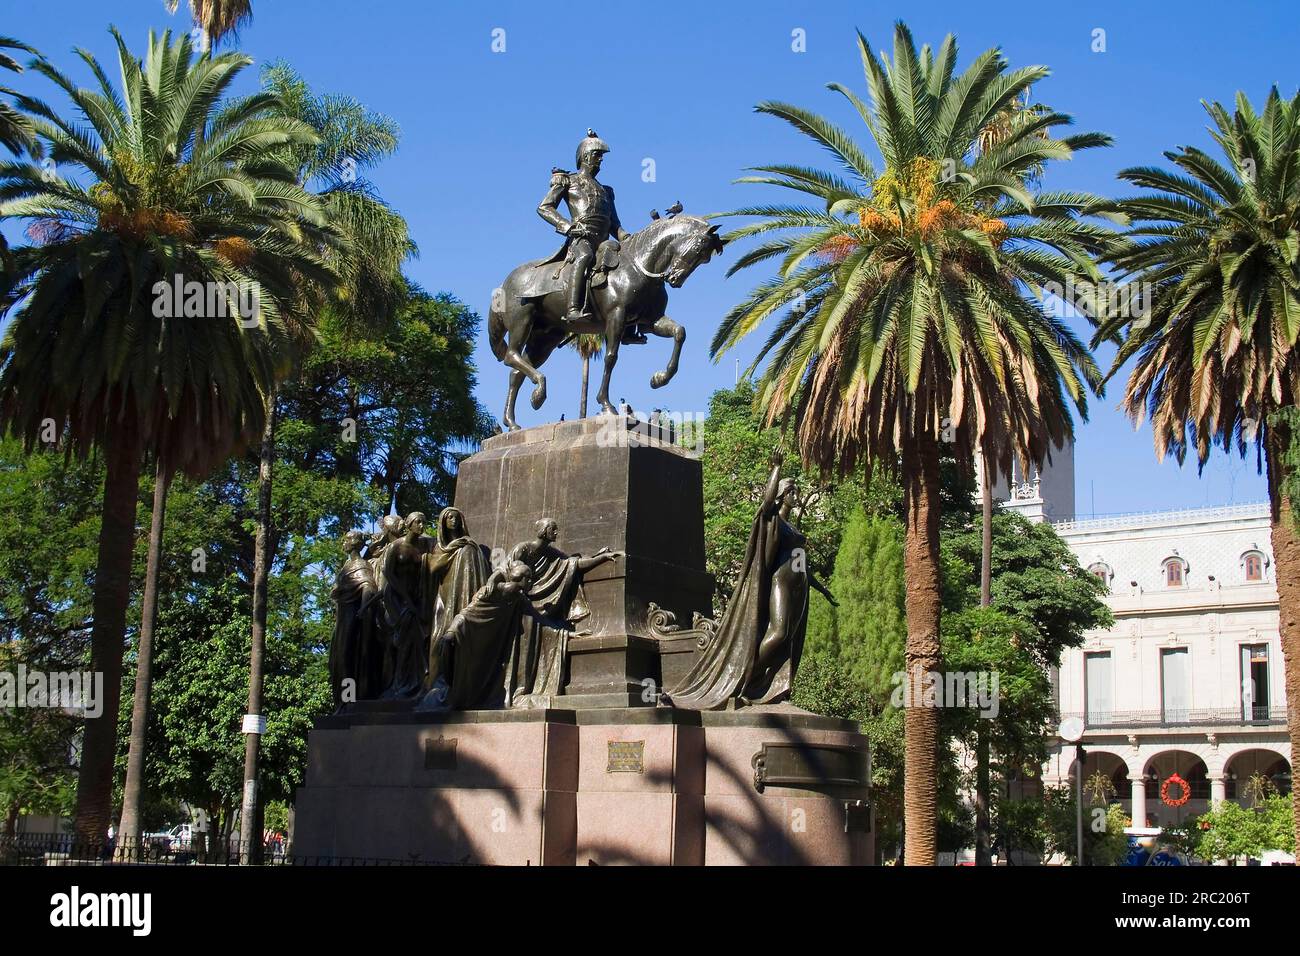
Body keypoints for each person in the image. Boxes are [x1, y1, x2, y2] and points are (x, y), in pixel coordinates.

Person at [665, 450, 835, 709]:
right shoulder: (774, 521)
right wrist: (776, 468)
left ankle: (765, 687)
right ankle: (747, 675)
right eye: (793, 492)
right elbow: (766, 505)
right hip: (780, 584)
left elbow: (802, 563)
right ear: (782, 496)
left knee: (787, 637)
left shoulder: (795, 530)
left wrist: (822, 588)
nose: (797, 496)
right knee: (777, 632)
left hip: (799, 588)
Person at [506, 518, 620, 708]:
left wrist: (600, 557)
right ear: (543, 530)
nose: (556, 533)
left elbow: (573, 564)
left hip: (535, 606)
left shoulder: (551, 553)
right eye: (553, 529)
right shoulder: (523, 549)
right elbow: (511, 573)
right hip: (519, 603)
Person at [536, 129, 629, 328]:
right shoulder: (568, 181)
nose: (601, 160)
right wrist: (567, 226)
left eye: (602, 156)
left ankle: (628, 324)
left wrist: (626, 237)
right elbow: (544, 207)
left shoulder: (606, 190)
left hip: (604, 242)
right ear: (585, 156)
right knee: (585, 256)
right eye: (598, 155)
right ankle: (572, 309)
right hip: (581, 238)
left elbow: (615, 224)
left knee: (627, 268)